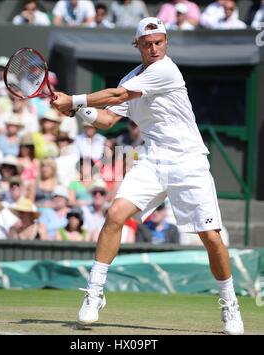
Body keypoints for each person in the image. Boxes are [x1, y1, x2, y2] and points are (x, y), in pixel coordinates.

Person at [51, 17, 244, 334]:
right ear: (137, 46)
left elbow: (116, 97)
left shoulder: (166, 70)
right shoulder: (132, 77)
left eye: (159, 42)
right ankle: (94, 293)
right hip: (153, 159)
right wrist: (75, 110)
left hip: (189, 162)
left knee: (211, 238)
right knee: (115, 214)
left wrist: (74, 100)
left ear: (166, 43)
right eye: (147, 43)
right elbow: (107, 119)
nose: (154, 48)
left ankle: (229, 304)